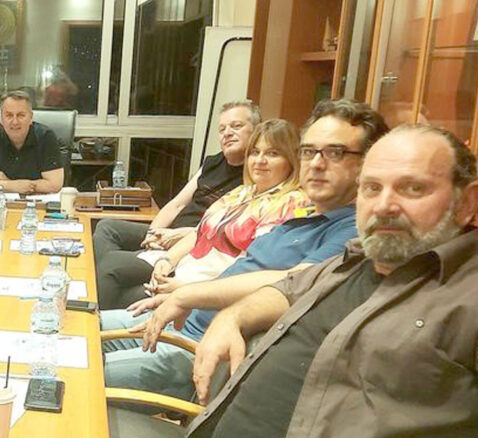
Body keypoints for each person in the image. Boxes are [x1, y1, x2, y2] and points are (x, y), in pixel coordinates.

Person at [114, 124, 478, 438]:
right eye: (371, 188)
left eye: (412, 189)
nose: (384, 206)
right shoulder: (350, 265)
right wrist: (232, 318)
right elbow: (282, 290)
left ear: (467, 202)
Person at [99, 99, 388, 402]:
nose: (316, 163)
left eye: (335, 152)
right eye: (309, 151)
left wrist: (189, 293)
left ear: (368, 165)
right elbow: (235, 263)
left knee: (77, 372)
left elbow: (298, 282)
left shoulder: (352, 231)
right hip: (182, 321)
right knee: (77, 332)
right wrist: (185, 292)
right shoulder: (302, 217)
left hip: (197, 347)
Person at [97, 119, 309, 309]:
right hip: (184, 268)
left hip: (204, 291)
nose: (260, 160)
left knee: (112, 285)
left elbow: (252, 269)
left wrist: (186, 287)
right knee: (110, 265)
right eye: (255, 152)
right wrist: (167, 261)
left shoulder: (290, 204)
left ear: (291, 160)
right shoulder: (242, 192)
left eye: (272, 154)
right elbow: (200, 232)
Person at [93, 101, 257, 285]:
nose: (227, 133)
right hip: (170, 233)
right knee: (106, 227)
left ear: (256, 131)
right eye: (222, 129)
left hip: (194, 244)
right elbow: (177, 204)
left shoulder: (256, 175)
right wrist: (152, 236)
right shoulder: (213, 162)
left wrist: (179, 236)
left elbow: (222, 232)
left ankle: (106, 280)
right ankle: (103, 281)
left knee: (111, 264)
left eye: (236, 126)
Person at [0, 90, 65, 194]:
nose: (15, 122)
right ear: (2, 118)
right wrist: (11, 186)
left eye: (21, 115)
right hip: (0, 201)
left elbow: (54, 185)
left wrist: (2, 182)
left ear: (30, 117)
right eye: (9, 115)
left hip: (37, 201)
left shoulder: (46, 137)